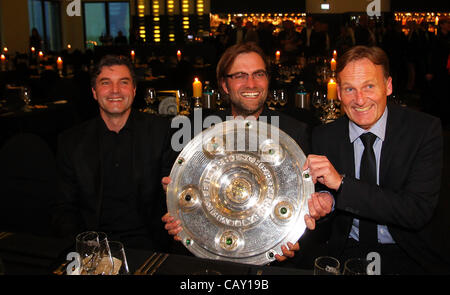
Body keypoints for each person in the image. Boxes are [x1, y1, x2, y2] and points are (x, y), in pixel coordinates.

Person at [161, 42, 333, 263]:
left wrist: (297, 236)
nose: (251, 84)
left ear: (267, 79)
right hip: (212, 259)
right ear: (224, 85)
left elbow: (317, 210)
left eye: (258, 74)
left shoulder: (295, 133)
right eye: (240, 75)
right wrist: (174, 200)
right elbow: (172, 193)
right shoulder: (199, 132)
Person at [304, 45, 448, 274]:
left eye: (369, 86)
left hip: (407, 251)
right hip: (345, 249)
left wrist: (342, 184)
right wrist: (325, 204)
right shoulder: (324, 135)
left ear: (388, 86)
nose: (360, 100)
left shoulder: (423, 131)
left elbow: (416, 211)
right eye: (349, 89)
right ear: (339, 94)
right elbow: (324, 209)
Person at [52, 55, 174, 251]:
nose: (115, 91)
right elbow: (63, 208)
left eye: (123, 83)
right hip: (93, 248)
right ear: (94, 92)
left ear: (134, 90)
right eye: (105, 83)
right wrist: (83, 249)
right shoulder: (71, 142)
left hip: (150, 246)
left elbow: (174, 195)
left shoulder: (162, 132)